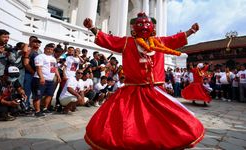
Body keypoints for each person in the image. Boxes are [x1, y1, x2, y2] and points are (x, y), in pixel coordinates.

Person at [83, 12, 204, 149]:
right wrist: (92, 28)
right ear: (134, 28)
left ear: (152, 27)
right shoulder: (127, 42)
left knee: (166, 121)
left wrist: (191, 31)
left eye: (147, 24)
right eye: (140, 24)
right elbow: (109, 39)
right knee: (128, 122)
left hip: (156, 90)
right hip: (132, 90)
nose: (144, 26)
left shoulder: (160, 41)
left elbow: (175, 39)